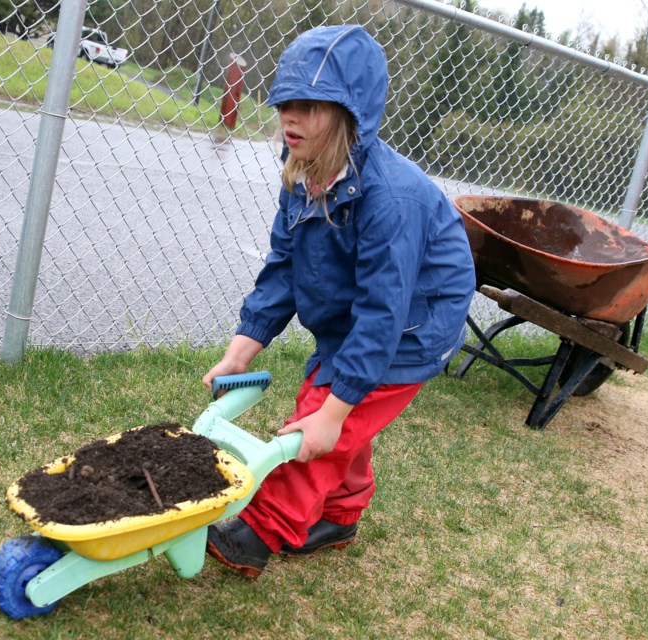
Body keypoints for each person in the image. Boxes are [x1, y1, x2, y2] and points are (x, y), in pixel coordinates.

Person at [201, 25, 476, 579]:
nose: (290, 118)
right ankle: (341, 515)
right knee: (342, 415)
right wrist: (240, 352)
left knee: (321, 422)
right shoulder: (303, 173)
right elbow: (283, 268)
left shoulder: (391, 198)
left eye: (309, 106)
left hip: (414, 325)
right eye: (284, 103)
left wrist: (331, 409)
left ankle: (260, 529)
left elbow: (384, 313)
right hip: (361, 315)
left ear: (350, 115)